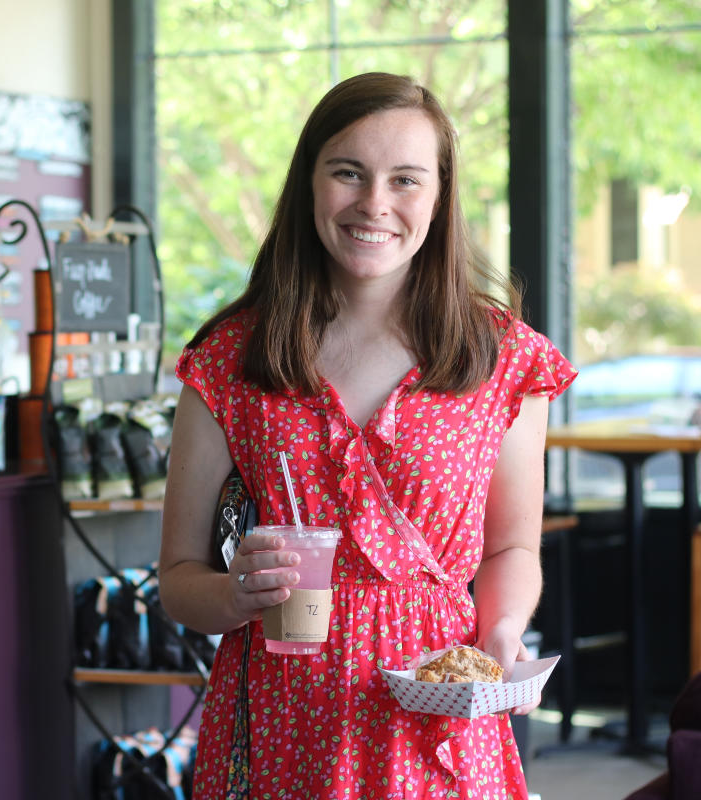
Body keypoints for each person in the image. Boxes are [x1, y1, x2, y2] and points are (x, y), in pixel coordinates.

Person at [158, 72, 576, 799]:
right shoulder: (231, 358)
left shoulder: (500, 357)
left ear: (440, 196)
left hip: (438, 712)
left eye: (405, 180)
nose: (374, 203)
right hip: (285, 715)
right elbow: (178, 579)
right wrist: (237, 597)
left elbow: (512, 546)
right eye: (347, 172)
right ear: (309, 182)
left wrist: (502, 630)